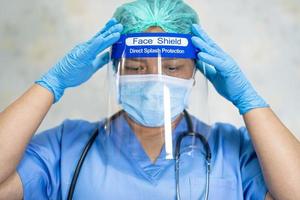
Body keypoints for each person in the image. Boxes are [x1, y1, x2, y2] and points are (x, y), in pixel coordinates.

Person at [0, 0, 299, 199]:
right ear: (116, 70)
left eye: (171, 68)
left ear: (195, 71)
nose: (155, 79)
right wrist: (51, 84)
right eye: (135, 67)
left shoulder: (231, 152)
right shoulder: (67, 148)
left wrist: (249, 101)